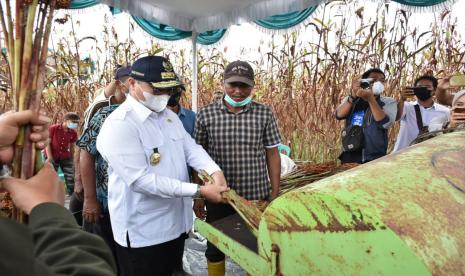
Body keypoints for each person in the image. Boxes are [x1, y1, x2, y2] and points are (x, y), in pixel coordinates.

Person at [96, 56, 229, 276]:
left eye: (168, 90)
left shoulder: (168, 117)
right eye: (157, 90)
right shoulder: (120, 125)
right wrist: (199, 191)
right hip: (144, 232)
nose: (163, 97)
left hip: (175, 226)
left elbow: (191, 148)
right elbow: (141, 181)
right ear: (132, 84)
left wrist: (215, 171)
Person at [0, 110, 117, 276]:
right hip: (55, 159)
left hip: (65, 157)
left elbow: (74, 146)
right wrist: (48, 209)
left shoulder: (72, 133)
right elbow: (81, 268)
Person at [193, 60, 282, 275]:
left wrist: (275, 191)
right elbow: (197, 157)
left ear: (252, 86)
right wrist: (198, 195)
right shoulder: (206, 114)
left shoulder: (264, 113)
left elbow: (272, 153)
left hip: (255, 196)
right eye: (233, 85)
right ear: (223, 84)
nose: (238, 91)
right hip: (219, 196)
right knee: (215, 246)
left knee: (257, 248)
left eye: (244, 86)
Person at [76, 72, 128, 272]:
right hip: (106, 201)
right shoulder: (103, 112)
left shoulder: (155, 114)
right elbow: (84, 151)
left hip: (136, 208)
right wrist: (88, 197)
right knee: (105, 256)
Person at [335, 68, 397, 163]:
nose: (378, 83)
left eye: (382, 80)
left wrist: (371, 99)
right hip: (350, 154)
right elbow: (339, 115)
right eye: (374, 79)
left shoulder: (388, 102)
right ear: (364, 82)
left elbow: (385, 123)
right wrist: (352, 96)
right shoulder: (351, 99)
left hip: (374, 158)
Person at [393, 75, 450, 152]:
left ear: (434, 90)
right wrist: (402, 99)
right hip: (402, 155)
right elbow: (396, 117)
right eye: (419, 86)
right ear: (414, 89)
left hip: (429, 156)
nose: (423, 89)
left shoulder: (445, 112)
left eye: (427, 86)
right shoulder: (406, 106)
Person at [45, 112, 79, 195]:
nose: (75, 124)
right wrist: (49, 157)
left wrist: (71, 158)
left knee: (70, 175)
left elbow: (71, 146)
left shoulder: (73, 133)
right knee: (51, 176)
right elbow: (47, 143)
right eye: (73, 122)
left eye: (76, 122)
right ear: (66, 120)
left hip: (65, 156)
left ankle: (71, 194)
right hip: (52, 155)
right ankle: (50, 194)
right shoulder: (54, 128)